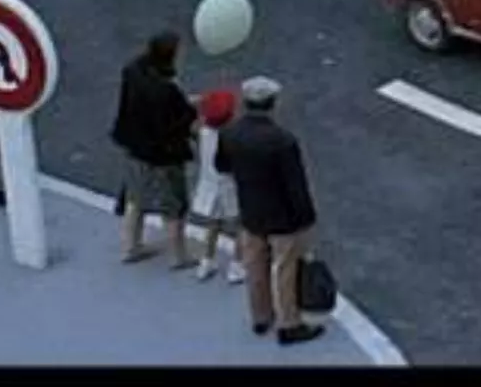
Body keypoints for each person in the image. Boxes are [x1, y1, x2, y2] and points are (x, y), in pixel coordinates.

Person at [216, 77, 323, 346]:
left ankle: (261, 316)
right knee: (285, 268)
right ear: (273, 103)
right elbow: (296, 185)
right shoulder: (282, 141)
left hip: (251, 211)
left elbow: (222, 166)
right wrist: (306, 218)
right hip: (283, 216)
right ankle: (289, 323)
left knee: (255, 266)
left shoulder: (230, 133)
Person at [111, 31, 196, 268]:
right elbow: (178, 120)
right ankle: (179, 256)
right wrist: (189, 107)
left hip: (135, 146)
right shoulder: (166, 90)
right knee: (173, 205)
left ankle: (131, 247)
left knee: (135, 197)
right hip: (164, 155)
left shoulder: (132, 71)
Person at [190, 87, 245, 285]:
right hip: (231, 186)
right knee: (240, 226)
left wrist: (199, 103)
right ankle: (237, 265)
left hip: (209, 184)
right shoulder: (234, 136)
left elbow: (191, 121)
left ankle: (207, 261)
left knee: (213, 224)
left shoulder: (201, 133)